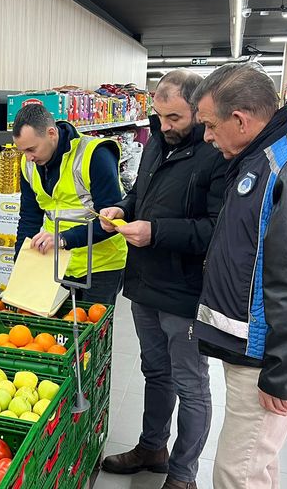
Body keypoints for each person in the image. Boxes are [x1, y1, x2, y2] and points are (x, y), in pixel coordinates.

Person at [191, 62, 287, 489]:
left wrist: (282, 374)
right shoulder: (260, 159)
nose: (206, 137)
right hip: (256, 346)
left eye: (209, 125)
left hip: (269, 354)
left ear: (240, 119)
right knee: (255, 461)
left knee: (237, 472)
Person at [98, 70, 226, 489]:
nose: (166, 125)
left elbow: (215, 229)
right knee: (155, 371)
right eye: (160, 115)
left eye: (175, 118)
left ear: (199, 109)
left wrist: (156, 232)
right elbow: (140, 195)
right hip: (145, 282)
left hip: (185, 291)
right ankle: (152, 447)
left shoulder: (216, 153)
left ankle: (183, 475)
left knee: (191, 385)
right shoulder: (157, 140)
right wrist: (122, 208)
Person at [12, 103, 126, 305]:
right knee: (56, 324)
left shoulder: (95, 155)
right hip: (58, 263)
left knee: (91, 323)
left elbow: (113, 222)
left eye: (31, 149)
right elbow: (29, 216)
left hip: (101, 265)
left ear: (51, 133)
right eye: (23, 151)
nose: (28, 157)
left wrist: (64, 239)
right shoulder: (28, 164)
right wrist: (21, 261)